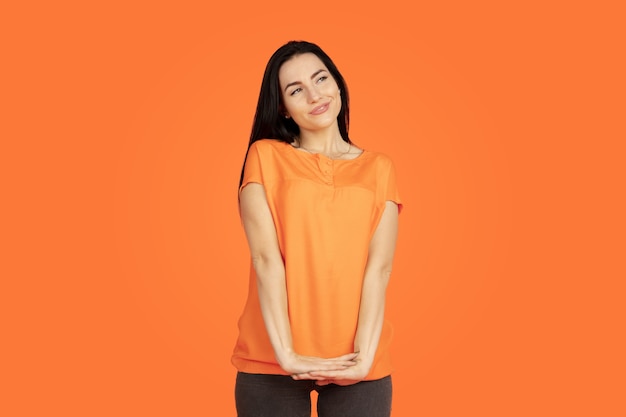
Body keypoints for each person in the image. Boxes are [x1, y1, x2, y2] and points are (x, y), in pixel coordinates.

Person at [232, 40, 402, 417]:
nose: (314, 95)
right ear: (284, 108)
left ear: (337, 83)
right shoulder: (265, 156)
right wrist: (287, 355)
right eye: (296, 90)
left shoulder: (379, 168)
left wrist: (364, 359)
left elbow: (378, 270)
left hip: (357, 362)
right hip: (270, 359)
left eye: (320, 79)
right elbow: (265, 260)